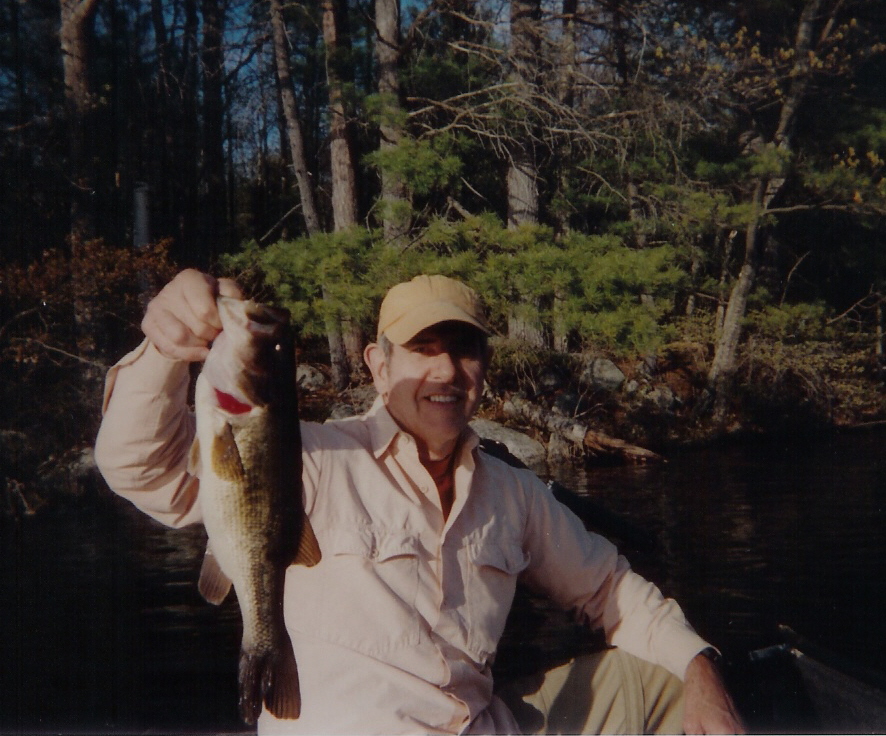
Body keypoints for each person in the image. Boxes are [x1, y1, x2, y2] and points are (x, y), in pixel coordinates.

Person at [95, 269, 746, 735]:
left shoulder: (513, 493)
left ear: (483, 368)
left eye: (463, 351)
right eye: (422, 350)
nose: (445, 371)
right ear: (378, 365)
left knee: (668, 679)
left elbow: (609, 589)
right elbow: (139, 468)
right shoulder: (311, 458)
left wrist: (701, 667)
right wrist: (164, 350)